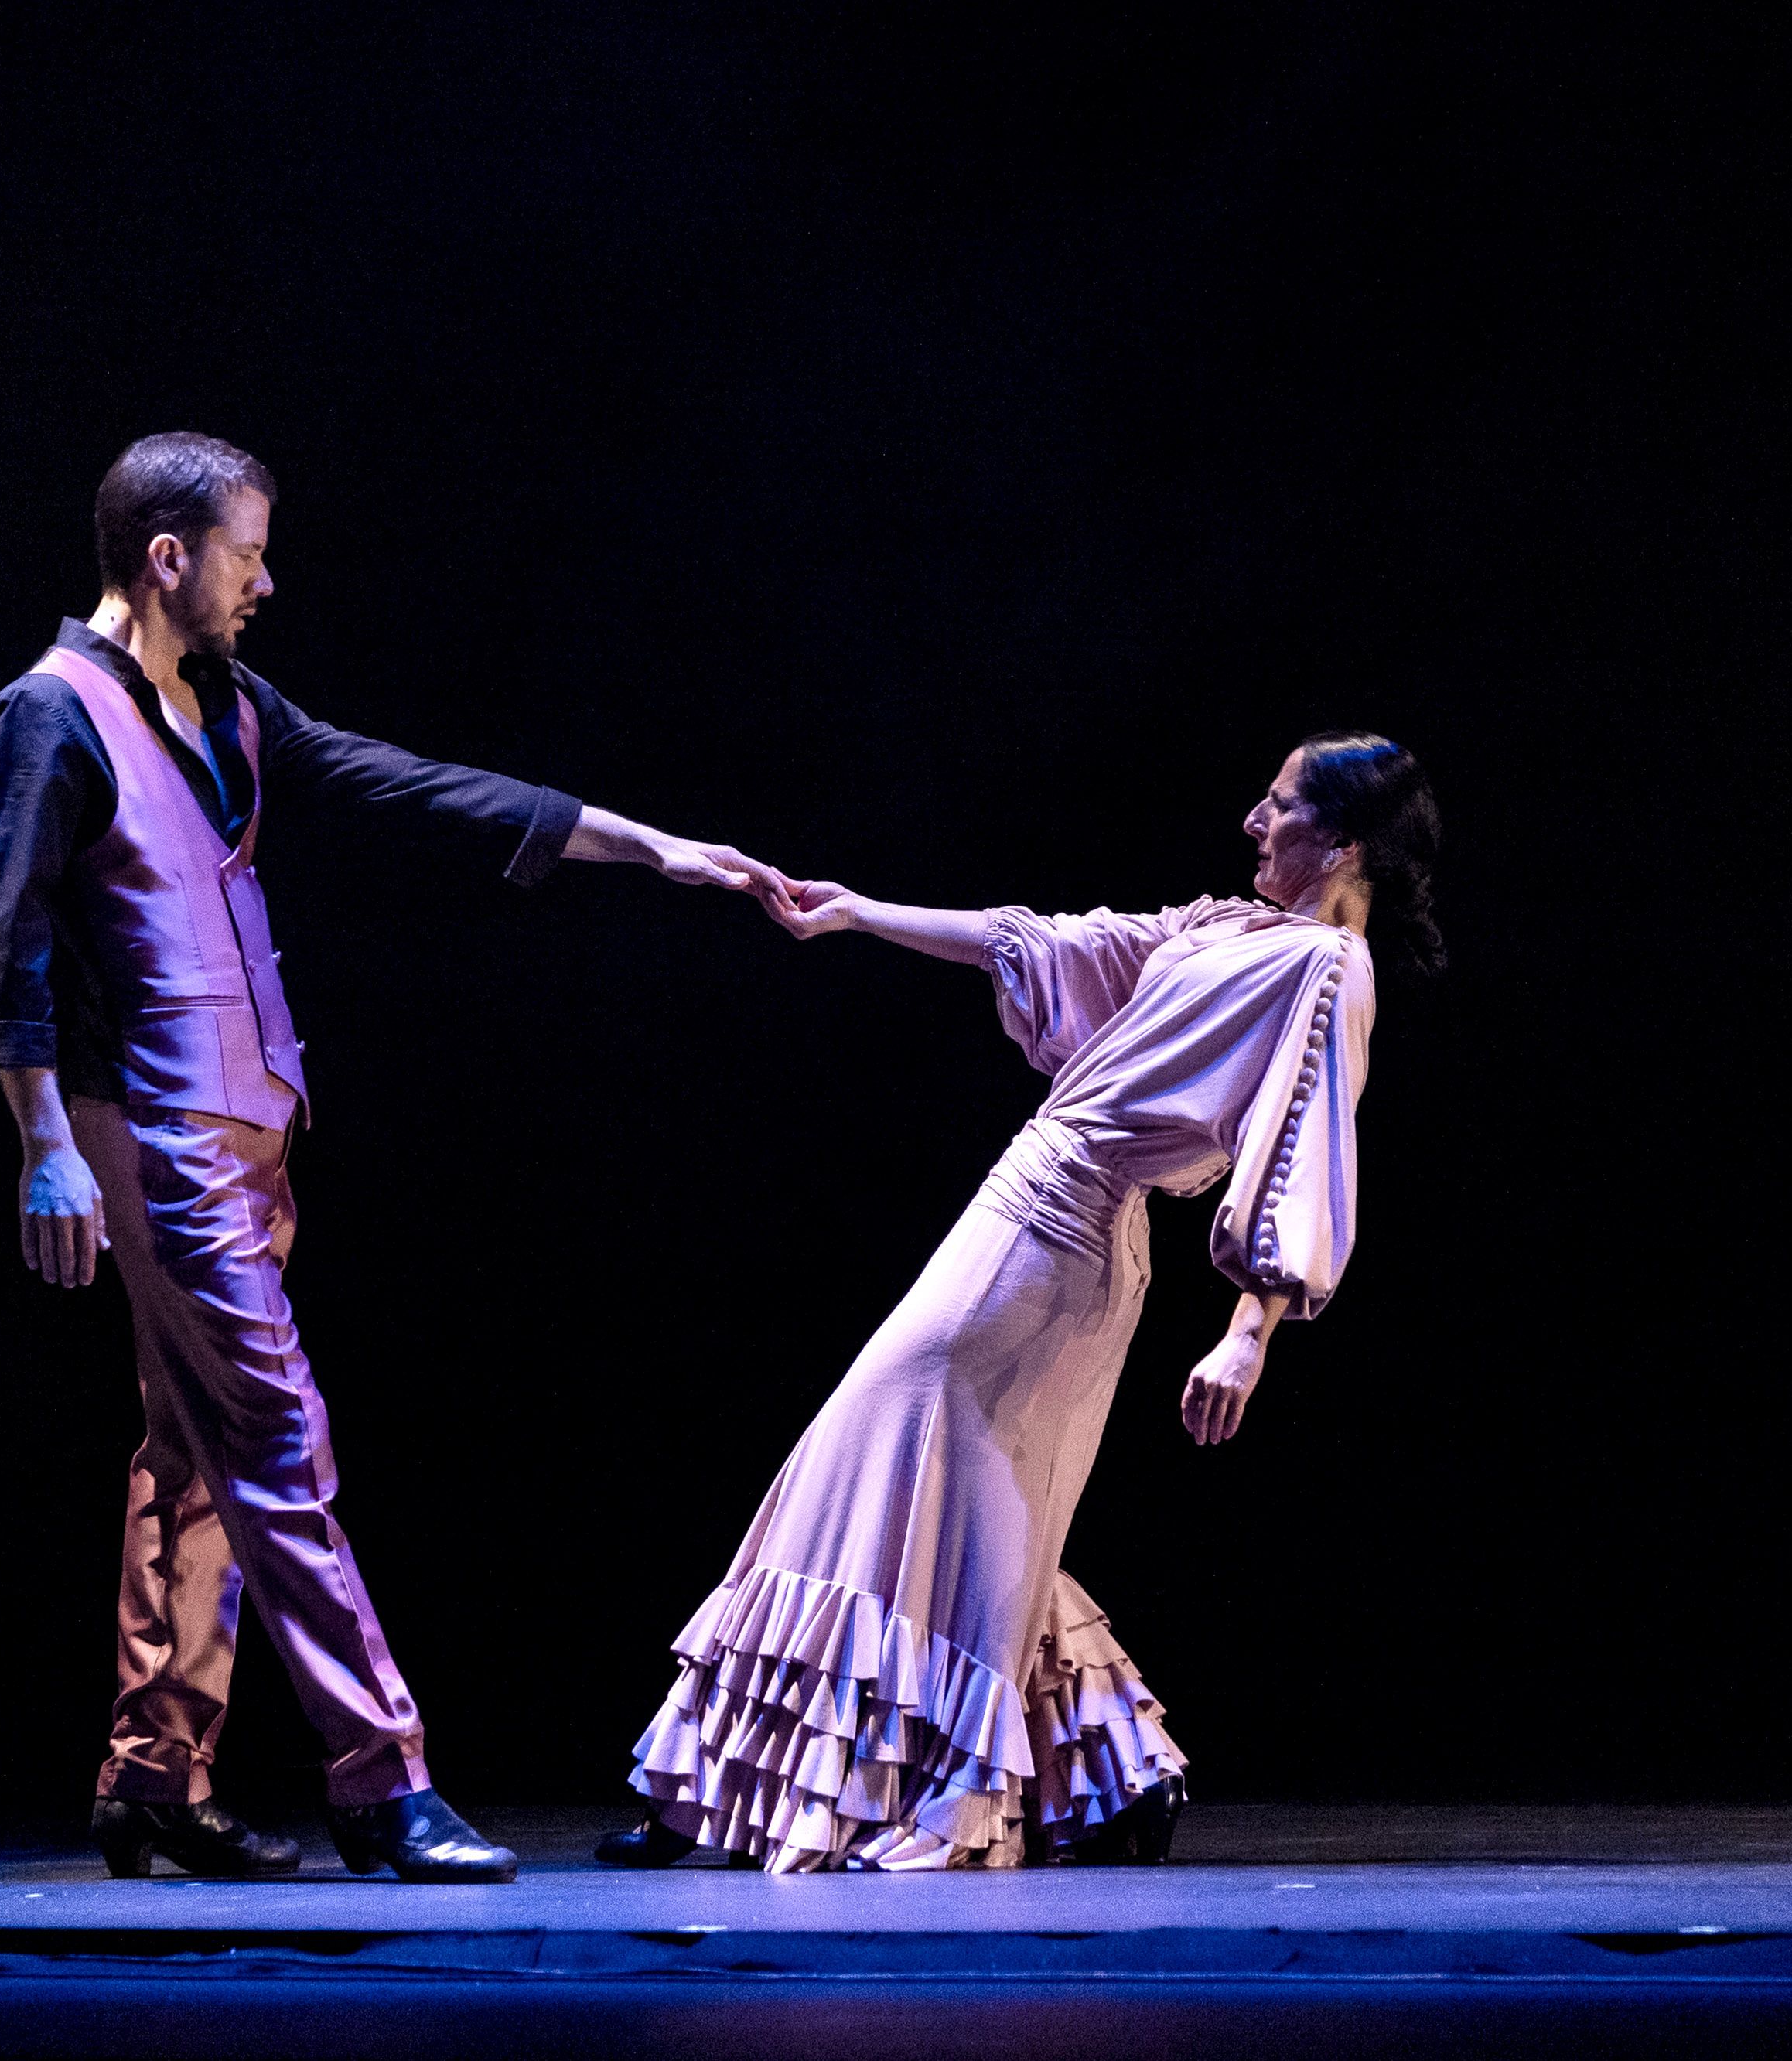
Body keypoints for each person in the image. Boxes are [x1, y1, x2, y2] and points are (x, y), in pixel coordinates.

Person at [0, 432, 783, 1884]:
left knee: (195, 1459)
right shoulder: (51, 715)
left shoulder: (222, 704)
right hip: (151, 1137)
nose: (263, 580)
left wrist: (654, 847)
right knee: (279, 1438)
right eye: (246, 553)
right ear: (169, 558)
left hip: (252, 1127)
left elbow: (406, 785)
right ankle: (379, 1780)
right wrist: (44, 1146)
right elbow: (5, 936)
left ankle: (155, 1782)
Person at [601, 733, 1443, 1872]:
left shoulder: (1326, 971)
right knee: (984, 1506)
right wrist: (859, 913)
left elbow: (1305, 1146)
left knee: (869, 1462)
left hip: (1054, 1240)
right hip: (1050, 1225)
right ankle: (1106, 1777)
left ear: (1340, 842)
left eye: (1281, 804)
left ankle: (716, 1782)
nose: (1253, 818)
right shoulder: (1232, 927)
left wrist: (1251, 1333)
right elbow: (1051, 946)